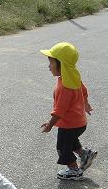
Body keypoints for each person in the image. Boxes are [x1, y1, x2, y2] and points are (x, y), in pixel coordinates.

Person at [39, 42, 96, 181]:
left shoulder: (64, 86)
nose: (48, 66)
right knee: (70, 140)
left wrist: (50, 125)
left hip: (69, 124)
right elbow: (83, 91)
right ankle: (84, 154)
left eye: (51, 63)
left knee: (63, 146)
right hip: (79, 123)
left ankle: (74, 170)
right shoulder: (73, 76)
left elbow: (60, 110)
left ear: (61, 65)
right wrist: (86, 104)